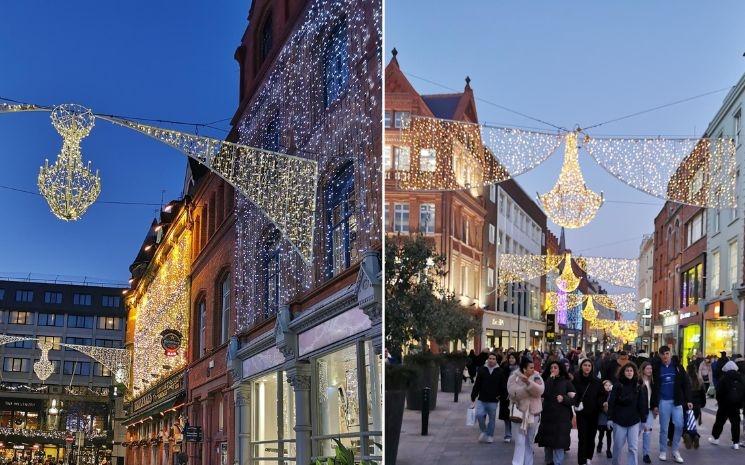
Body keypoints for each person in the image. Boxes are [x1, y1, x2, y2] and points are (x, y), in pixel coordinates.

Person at [651, 346, 692, 463]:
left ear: (670, 354)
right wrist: (654, 404)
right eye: (663, 354)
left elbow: (686, 384)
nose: (665, 356)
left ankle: (675, 450)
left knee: (679, 425)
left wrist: (689, 399)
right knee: (664, 428)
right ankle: (663, 450)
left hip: (677, 401)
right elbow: (654, 388)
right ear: (660, 355)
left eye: (667, 353)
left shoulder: (678, 367)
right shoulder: (657, 368)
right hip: (663, 402)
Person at [535, 360, 576, 465]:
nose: (553, 369)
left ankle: (558, 463)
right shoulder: (545, 381)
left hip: (561, 419)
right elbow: (543, 393)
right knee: (548, 444)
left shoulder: (566, 382)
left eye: (555, 367)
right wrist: (549, 380)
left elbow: (574, 399)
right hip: (548, 417)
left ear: (560, 369)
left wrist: (564, 399)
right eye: (551, 368)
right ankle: (548, 462)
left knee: (559, 444)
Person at [608, 362, 649, 465]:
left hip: (634, 421)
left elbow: (642, 404)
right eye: (627, 370)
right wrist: (609, 418)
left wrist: (644, 420)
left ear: (634, 372)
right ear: (623, 372)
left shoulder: (639, 386)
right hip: (619, 420)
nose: (629, 372)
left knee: (633, 448)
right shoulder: (617, 385)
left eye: (631, 370)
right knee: (617, 446)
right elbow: (611, 402)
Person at [508, 357, 545, 465]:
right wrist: (527, 389)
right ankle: (517, 463)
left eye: (533, 367)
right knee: (519, 441)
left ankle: (528, 463)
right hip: (519, 413)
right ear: (524, 368)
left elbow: (540, 391)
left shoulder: (537, 376)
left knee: (529, 441)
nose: (533, 369)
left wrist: (529, 383)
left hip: (534, 413)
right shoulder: (514, 377)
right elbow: (512, 392)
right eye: (531, 368)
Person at [574, 358, 604, 465]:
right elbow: (572, 392)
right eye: (585, 365)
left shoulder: (596, 381)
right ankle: (581, 461)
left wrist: (599, 404)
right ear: (581, 366)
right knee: (582, 437)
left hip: (593, 413)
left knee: (591, 437)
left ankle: (588, 457)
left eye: (589, 366)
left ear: (592, 368)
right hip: (581, 413)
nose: (587, 367)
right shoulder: (576, 379)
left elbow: (602, 395)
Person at [708, 360, 744, 449]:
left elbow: (719, 392)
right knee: (735, 423)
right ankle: (735, 443)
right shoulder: (740, 378)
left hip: (724, 404)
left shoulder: (724, 378)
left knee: (719, 422)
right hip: (735, 405)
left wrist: (719, 402)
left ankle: (715, 438)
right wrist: (740, 403)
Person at [470, 352, 506, 443]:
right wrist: (473, 395)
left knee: (492, 419)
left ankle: (490, 435)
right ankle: (483, 431)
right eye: (490, 358)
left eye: (493, 359)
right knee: (479, 415)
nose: (491, 360)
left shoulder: (500, 371)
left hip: (493, 400)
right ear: (487, 359)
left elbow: (503, 386)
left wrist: (501, 397)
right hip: (482, 399)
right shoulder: (482, 369)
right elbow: (477, 384)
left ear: (496, 360)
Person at [499, 352, 520, 443]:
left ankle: (517, 434)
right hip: (506, 395)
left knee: (516, 416)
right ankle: (508, 434)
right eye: (510, 358)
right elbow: (501, 381)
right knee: (506, 416)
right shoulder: (505, 368)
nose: (511, 360)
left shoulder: (520, 369)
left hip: (517, 396)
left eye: (513, 358)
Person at [684, 362, 704, 449]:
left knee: (686, 423)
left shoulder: (686, 379)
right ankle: (694, 436)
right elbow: (703, 394)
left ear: (687, 370)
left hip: (687, 404)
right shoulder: (700, 380)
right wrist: (702, 404)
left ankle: (689, 435)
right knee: (692, 423)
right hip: (697, 405)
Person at [639, 361, 655, 463]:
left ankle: (646, 454)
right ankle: (633, 451)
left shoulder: (653, 382)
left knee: (647, 432)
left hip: (649, 410)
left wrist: (655, 407)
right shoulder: (638, 381)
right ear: (643, 369)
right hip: (639, 411)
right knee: (636, 432)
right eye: (648, 368)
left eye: (651, 368)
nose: (650, 370)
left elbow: (655, 395)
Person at [597, 379, 614, 459]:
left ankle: (608, 450)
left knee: (609, 434)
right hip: (602, 417)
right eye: (606, 385)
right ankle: (600, 444)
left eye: (609, 385)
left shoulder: (613, 394)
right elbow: (599, 405)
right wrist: (603, 405)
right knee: (601, 433)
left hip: (610, 417)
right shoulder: (600, 394)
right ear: (603, 386)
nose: (607, 387)